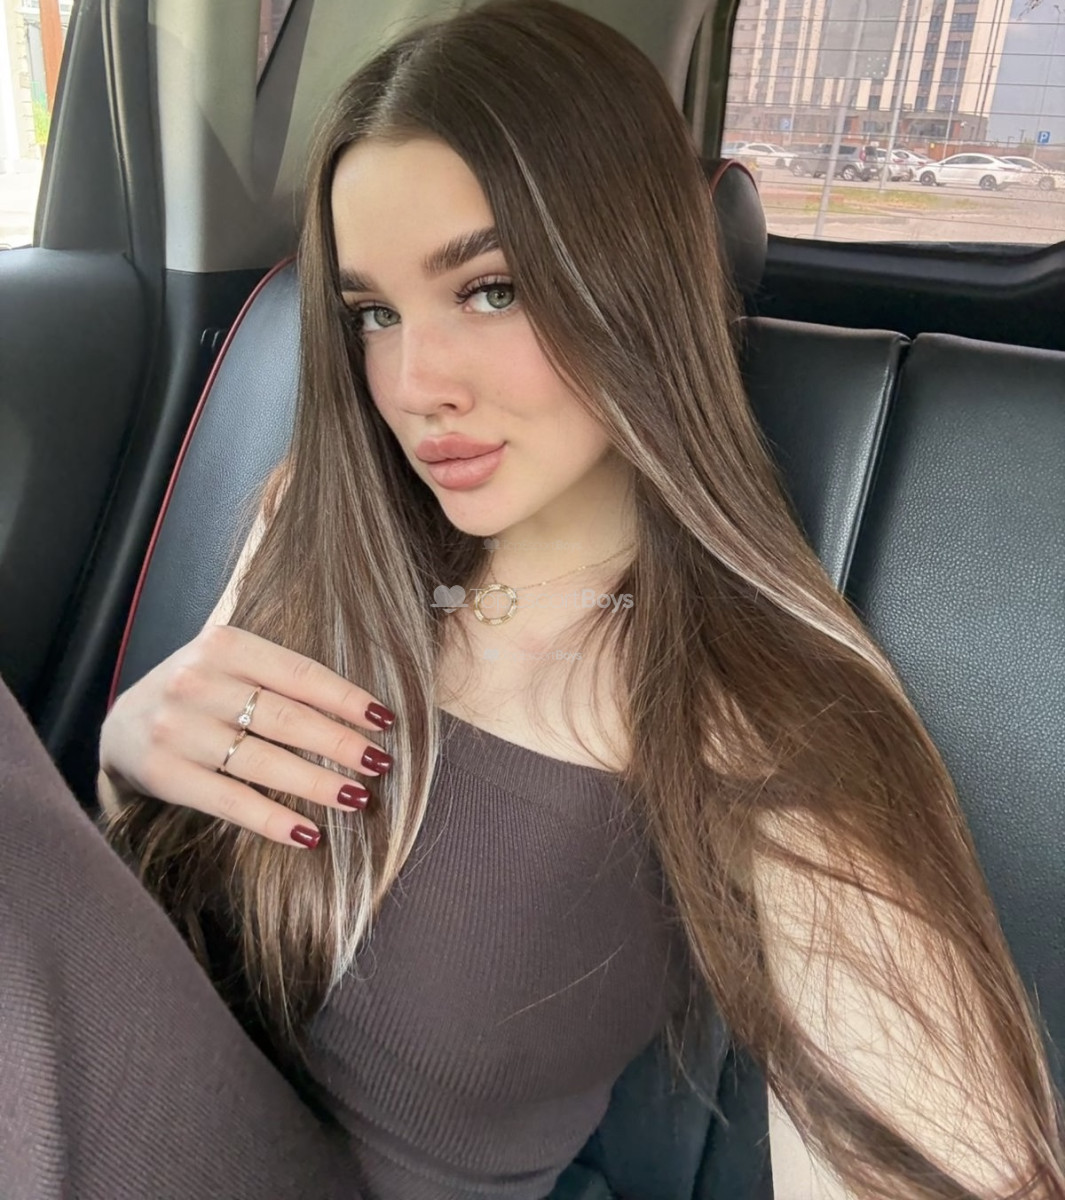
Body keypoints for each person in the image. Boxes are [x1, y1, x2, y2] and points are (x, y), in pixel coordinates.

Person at [17, 1, 1065, 1197]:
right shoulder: (319, 516)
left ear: (635, 276)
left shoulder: (747, 699)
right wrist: (127, 760)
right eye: (374, 314)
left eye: (492, 289)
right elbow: (145, 904)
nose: (415, 384)